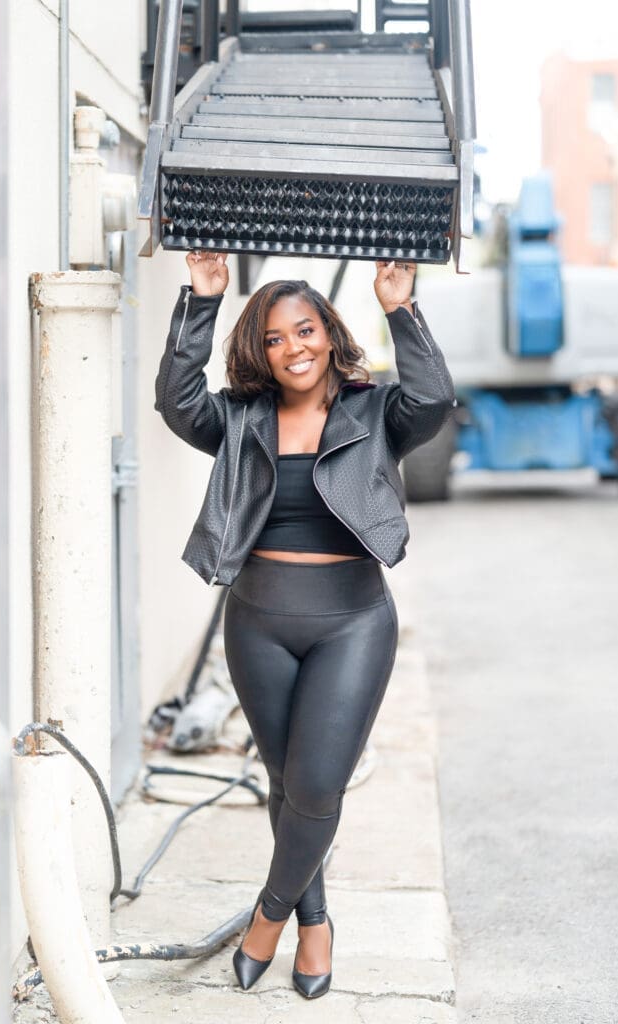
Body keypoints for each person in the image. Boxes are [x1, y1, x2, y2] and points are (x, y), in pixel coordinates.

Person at [155, 250, 455, 999]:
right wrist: (203, 300)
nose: (293, 348)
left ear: (329, 333)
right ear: (259, 351)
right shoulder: (238, 417)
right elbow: (175, 399)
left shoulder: (376, 410)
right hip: (257, 620)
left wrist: (399, 307)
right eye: (276, 338)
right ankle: (315, 921)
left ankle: (270, 913)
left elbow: (434, 397)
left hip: (351, 621)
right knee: (285, 780)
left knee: (318, 785)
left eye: (305, 330)